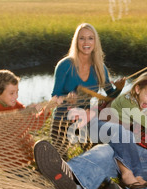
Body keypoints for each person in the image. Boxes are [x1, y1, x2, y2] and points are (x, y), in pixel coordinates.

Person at [50, 22, 126, 158]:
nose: (86, 42)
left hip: (84, 118)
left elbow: (110, 96)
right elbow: (55, 95)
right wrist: (67, 97)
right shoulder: (65, 65)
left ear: (95, 42)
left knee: (94, 155)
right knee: (60, 159)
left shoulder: (99, 68)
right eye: (82, 38)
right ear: (76, 41)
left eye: (90, 38)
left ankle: (95, 176)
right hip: (62, 118)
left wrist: (119, 89)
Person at [0, 69, 62, 170]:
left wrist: (46, 109)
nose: (16, 96)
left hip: (30, 156)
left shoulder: (17, 105)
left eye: (17, 92)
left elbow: (34, 124)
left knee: (52, 166)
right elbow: (5, 119)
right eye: (11, 93)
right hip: (11, 163)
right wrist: (25, 112)